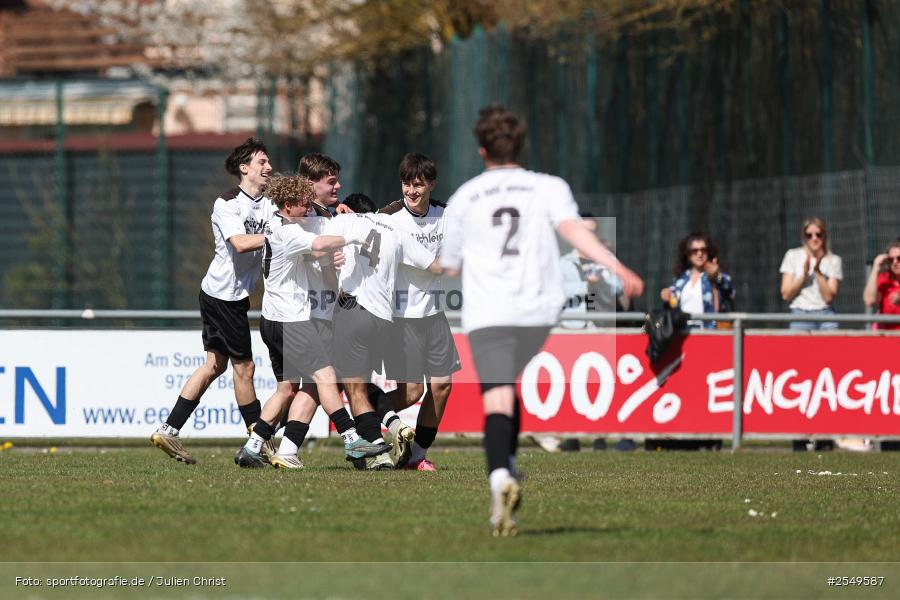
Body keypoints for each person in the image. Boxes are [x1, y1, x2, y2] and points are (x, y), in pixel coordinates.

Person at [441, 105, 644, 536]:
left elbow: (450, 266)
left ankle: (500, 477)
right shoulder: (548, 187)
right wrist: (617, 266)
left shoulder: (465, 196)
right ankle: (509, 466)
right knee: (509, 388)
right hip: (537, 310)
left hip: (491, 311)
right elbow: (574, 230)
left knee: (496, 397)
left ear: (481, 151)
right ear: (521, 146)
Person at [233, 174, 389, 468]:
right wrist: (357, 233)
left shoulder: (278, 227)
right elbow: (319, 241)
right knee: (327, 377)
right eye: (304, 205)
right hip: (291, 320)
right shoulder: (288, 233)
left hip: (271, 320)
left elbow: (317, 247)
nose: (308, 209)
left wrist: (328, 250)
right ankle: (352, 439)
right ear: (288, 205)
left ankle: (253, 447)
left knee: (287, 388)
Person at [151, 138, 275, 464]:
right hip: (223, 296)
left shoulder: (269, 203)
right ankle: (259, 442)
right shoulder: (229, 203)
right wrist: (280, 237)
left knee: (214, 365)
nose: (269, 167)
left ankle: (169, 428)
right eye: (262, 162)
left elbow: (298, 214)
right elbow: (240, 243)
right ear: (244, 168)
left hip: (226, 296)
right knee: (244, 368)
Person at [325, 207, 442, 470]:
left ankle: (378, 452)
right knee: (364, 386)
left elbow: (318, 245)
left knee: (354, 388)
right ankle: (394, 424)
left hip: (353, 310)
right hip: (384, 320)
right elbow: (435, 266)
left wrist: (330, 265)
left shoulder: (346, 221)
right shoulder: (397, 230)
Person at [376, 153, 461, 471]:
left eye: (418, 184)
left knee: (442, 387)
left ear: (431, 184)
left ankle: (416, 455)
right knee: (410, 393)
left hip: (434, 315)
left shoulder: (445, 215)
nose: (411, 191)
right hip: (400, 318)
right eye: (406, 184)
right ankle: (365, 427)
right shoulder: (388, 217)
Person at [559, 211, 627, 329]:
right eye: (585, 231)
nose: (589, 235)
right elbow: (556, 292)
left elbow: (619, 286)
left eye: (593, 232)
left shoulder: (609, 259)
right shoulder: (564, 263)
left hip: (602, 327)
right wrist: (586, 286)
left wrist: (600, 283)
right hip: (572, 327)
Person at [660, 233, 735, 329]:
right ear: (688, 254)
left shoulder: (716, 274)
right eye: (695, 251)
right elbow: (671, 306)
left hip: (708, 333)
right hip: (683, 333)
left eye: (703, 250)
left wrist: (717, 276)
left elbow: (730, 291)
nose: (699, 254)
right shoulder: (681, 279)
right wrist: (666, 297)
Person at [780, 217, 842, 330]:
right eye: (809, 235)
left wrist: (817, 272)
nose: (814, 239)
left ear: (824, 235)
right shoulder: (792, 255)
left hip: (826, 315)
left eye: (818, 234)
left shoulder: (833, 260)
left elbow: (828, 298)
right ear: (804, 237)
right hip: (800, 314)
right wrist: (803, 275)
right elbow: (786, 295)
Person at [863, 239, 900, 331]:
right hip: (887, 335)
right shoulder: (884, 279)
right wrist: (875, 268)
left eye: (899, 258)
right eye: (891, 259)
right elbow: (869, 301)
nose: (895, 262)